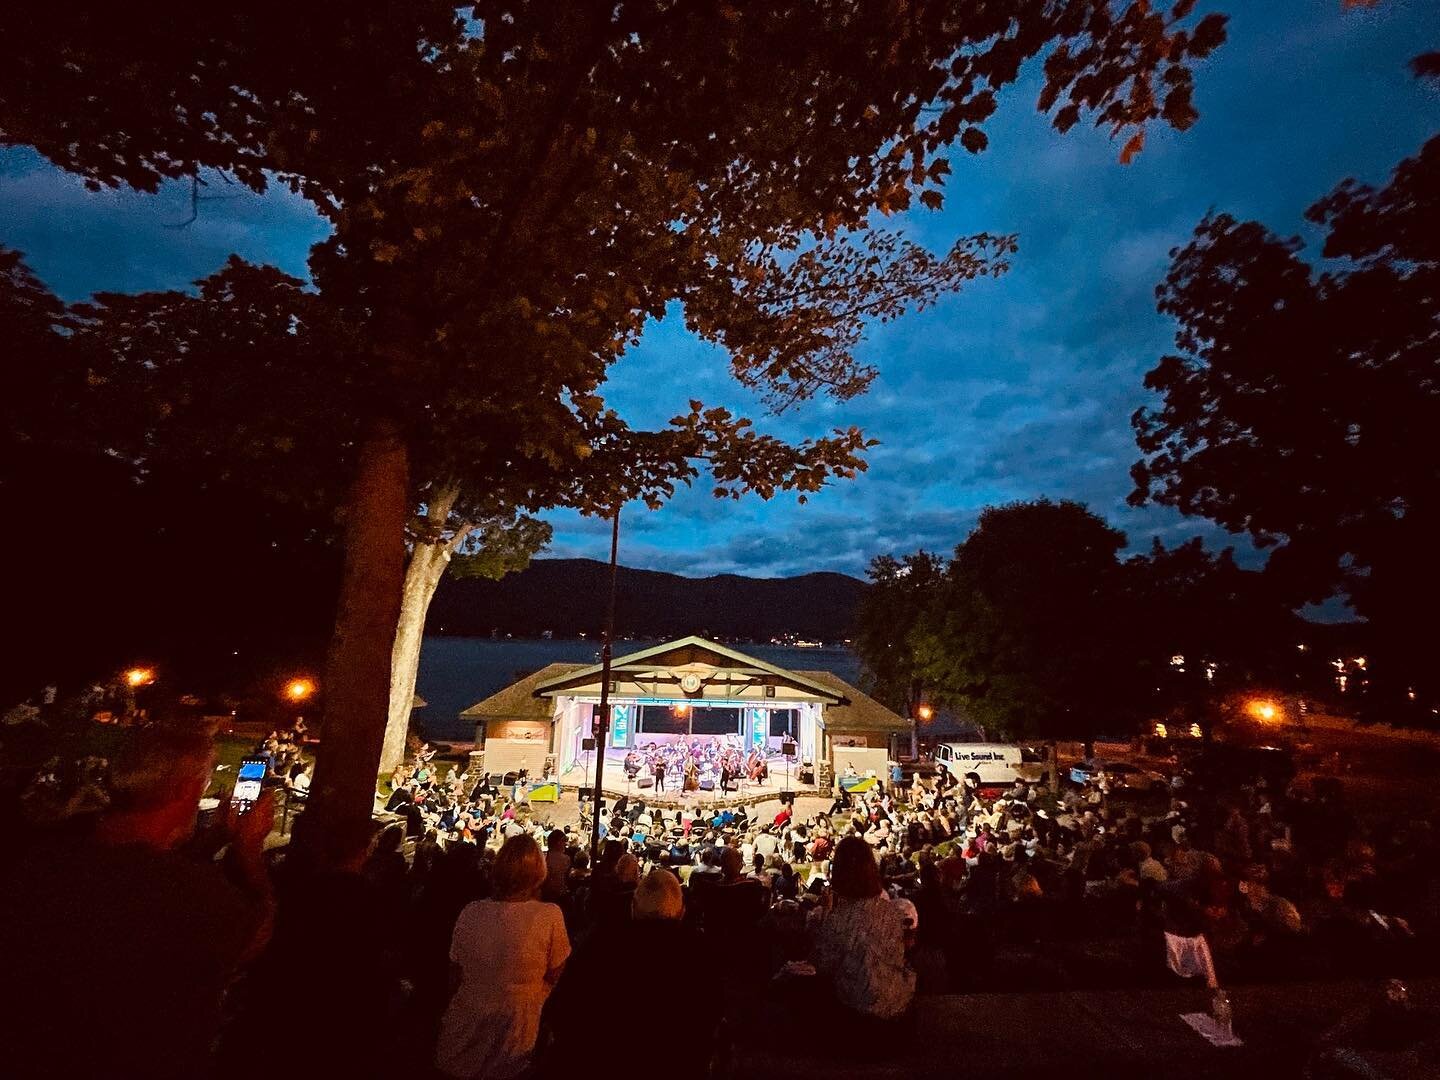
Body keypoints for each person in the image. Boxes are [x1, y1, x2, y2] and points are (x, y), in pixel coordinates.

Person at [0, 726, 274, 1080]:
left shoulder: (44, 858)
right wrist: (249, 850)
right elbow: (257, 933)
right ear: (185, 789)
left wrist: (217, 835)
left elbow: (142, 861)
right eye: (203, 784)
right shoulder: (189, 895)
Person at [436, 835, 570, 1080]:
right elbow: (556, 977)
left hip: (464, 1030)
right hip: (517, 1036)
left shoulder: (471, 911)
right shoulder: (550, 916)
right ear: (539, 871)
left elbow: (454, 976)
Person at [810, 836, 916, 1026]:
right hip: (898, 1013)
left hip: (857, 1018)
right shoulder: (892, 911)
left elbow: (821, 965)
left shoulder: (837, 918)